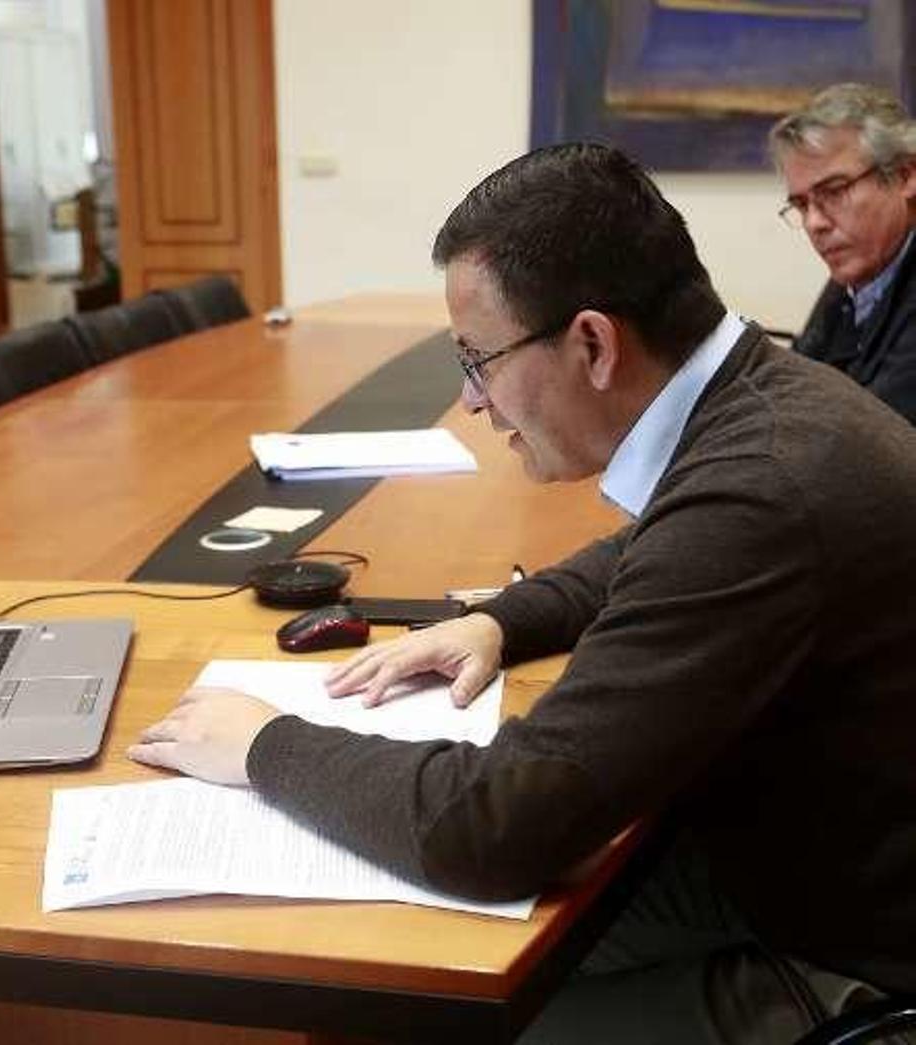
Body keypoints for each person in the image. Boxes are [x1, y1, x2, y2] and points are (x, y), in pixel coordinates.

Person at [129, 143, 916, 1042]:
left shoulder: (760, 492)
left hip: (840, 953)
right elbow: (651, 550)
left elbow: (497, 828)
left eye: (479, 359)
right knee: (412, 954)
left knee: (398, 1013)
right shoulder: (771, 405)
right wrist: (500, 619)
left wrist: (265, 744)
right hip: (783, 849)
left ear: (591, 342)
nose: (473, 401)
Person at [769, 82, 916, 423]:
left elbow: (874, 434)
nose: (815, 223)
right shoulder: (858, 275)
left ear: (905, 176)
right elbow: (797, 393)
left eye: (834, 192)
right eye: (801, 205)